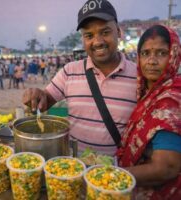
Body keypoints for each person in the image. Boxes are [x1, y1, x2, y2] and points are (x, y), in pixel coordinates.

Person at [22, 0, 137, 156]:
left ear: (118, 31)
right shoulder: (69, 71)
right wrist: (36, 95)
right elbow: (44, 101)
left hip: (118, 174)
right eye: (89, 35)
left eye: (105, 32)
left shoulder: (139, 77)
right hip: (76, 169)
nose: (98, 42)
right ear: (83, 40)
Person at [117, 25, 181, 199]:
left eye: (161, 53)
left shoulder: (172, 101)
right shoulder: (147, 93)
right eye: (145, 53)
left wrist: (113, 175)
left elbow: (166, 168)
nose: (151, 61)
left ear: (174, 56)